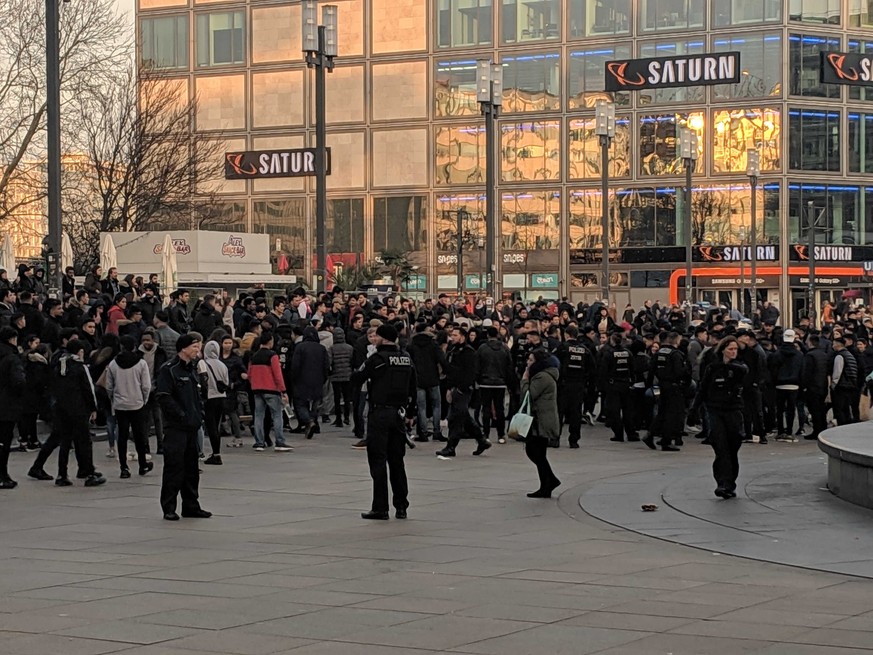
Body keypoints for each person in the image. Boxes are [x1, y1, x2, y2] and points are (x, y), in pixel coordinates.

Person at [350, 323, 417, 520]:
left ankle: (380, 507)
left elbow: (357, 377)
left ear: (383, 338)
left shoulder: (377, 359)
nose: (374, 339)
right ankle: (401, 506)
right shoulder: (406, 359)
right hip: (399, 414)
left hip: (379, 413)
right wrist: (410, 414)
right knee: (397, 461)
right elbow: (413, 387)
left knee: (378, 460)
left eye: (377, 336)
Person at [155, 333, 211, 520]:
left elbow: (197, 396)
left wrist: (199, 415)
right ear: (184, 348)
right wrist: (180, 415)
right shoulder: (169, 370)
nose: (198, 350)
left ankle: (191, 505)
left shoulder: (192, 369)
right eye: (195, 346)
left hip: (192, 428)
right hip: (176, 428)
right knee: (174, 468)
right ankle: (169, 507)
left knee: (191, 469)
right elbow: (164, 396)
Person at [692, 337, 748, 499]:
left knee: (732, 447)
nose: (733, 352)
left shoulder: (740, 367)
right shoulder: (712, 368)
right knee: (720, 447)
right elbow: (702, 389)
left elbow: (744, 372)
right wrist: (694, 409)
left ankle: (731, 482)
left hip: (733, 411)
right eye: (730, 349)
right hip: (715, 410)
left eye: (735, 349)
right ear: (723, 349)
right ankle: (722, 483)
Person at [50, 339, 106, 487]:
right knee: (84, 441)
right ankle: (89, 473)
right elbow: (88, 389)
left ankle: (62, 474)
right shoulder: (80, 367)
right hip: (78, 409)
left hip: (61, 408)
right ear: (80, 351)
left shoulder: (59, 365)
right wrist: (93, 408)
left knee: (65, 442)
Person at [436, 326, 492, 458]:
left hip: (463, 389)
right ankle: (481, 440)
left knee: (456, 418)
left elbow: (470, 373)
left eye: (455, 335)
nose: (452, 338)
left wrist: (461, 388)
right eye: (452, 335)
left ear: (462, 336)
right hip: (454, 387)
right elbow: (451, 370)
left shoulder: (468, 352)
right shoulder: (453, 350)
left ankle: (451, 447)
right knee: (464, 417)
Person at [105, 336, 153, 478]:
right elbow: (146, 386)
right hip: (137, 403)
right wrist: (144, 400)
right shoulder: (141, 363)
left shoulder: (113, 364)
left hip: (120, 404)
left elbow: (109, 386)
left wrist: (113, 398)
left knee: (122, 436)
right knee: (140, 435)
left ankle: (124, 467)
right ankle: (143, 464)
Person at [521, 348, 561, 499]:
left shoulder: (542, 377)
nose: (528, 363)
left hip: (541, 421)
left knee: (535, 451)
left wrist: (524, 380)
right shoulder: (544, 375)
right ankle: (548, 483)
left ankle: (549, 482)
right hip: (541, 419)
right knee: (537, 452)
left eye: (531, 360)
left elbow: (528, 396)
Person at [248, 333, 294, 452]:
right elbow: (277, 374)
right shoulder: (273, 356)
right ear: (270, 342)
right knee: (277, 415)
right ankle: (280, 441)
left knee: (258, 416)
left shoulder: (253, 356)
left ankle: (259, 442)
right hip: (271, 389)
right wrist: (283, 390)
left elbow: (249, 374)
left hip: (257, 389)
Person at [407, 322, 448, 443]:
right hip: (433, 378)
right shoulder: (433, 344)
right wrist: (445, 372)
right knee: (436, 405)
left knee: (421, 407)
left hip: (418, 379)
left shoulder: (411, 345)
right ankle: (437, 431)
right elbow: (441, 359)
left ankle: (423, 433)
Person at [475, 325, 516, 445]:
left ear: (487, 335)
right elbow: (509, 367)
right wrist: (509, 382)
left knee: (486, 409)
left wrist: (478, 379)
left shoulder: (482, 348)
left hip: (485, 382)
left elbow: (477, 365)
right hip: (500, 383)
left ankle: (486, 434)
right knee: (500, 409)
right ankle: (501, 434)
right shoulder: (504, 348)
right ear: (497, 335)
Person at [556, 325, 594, 447]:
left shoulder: (562, 348)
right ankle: (574, 440)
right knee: (576, 413)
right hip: (579, 385)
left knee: (559, 412)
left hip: (563, 384)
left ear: (566, 335)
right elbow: (592, 368)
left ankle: (555, 438)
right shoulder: (584, 349)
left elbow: (554, 363)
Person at [290, 326, 330, 440]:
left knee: (300, 403)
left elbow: (295, 365)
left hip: (302, 380)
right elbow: (326, 366)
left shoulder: (300, 347)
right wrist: (324, 378)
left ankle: (308, 421)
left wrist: (293, 378)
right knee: (316, 403)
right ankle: (312, 421)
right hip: (318, 380)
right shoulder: (322, 348)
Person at [0, 327, 25, 488]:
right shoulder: (12, 358)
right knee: (4, 441)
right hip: (7, 405)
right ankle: (3, 475)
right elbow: (18, 382)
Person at [199, 340, 230, 465]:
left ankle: (216, 454)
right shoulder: (223, 365)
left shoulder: (203, 363)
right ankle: (216, 452)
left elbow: (202, 380)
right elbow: (226, 382)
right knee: (216, 425)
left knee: (210, 426)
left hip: (209, 397)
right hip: (221, 397)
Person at [139, 328, 167, 455]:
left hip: (157, 389)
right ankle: (145, 445)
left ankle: (161, 445)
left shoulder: (160, 352)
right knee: (145, 420)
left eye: (148, 340)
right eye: (144, 340)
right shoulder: (138, 354)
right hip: (142, 390)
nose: (146, 343)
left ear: (153, 340)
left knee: (158, 418)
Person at [330, 328, 354, 427]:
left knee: (336, 397)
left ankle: (338, 418)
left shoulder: (332, 348)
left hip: (336, 375)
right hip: (347, 375)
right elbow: (352, 361)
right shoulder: (349, 348)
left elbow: (329, 362)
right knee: (347, 397)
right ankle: (347, 417)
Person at [831, 337, 859, 426]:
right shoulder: (849, 355)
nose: (833, 346)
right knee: (846, 408)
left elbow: (837, 372)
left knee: (839, 409)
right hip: (850, 385)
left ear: (837, 344)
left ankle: (841, 426)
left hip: (841, 385)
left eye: (833, 343)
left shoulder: (840, 356)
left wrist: (833, 384)